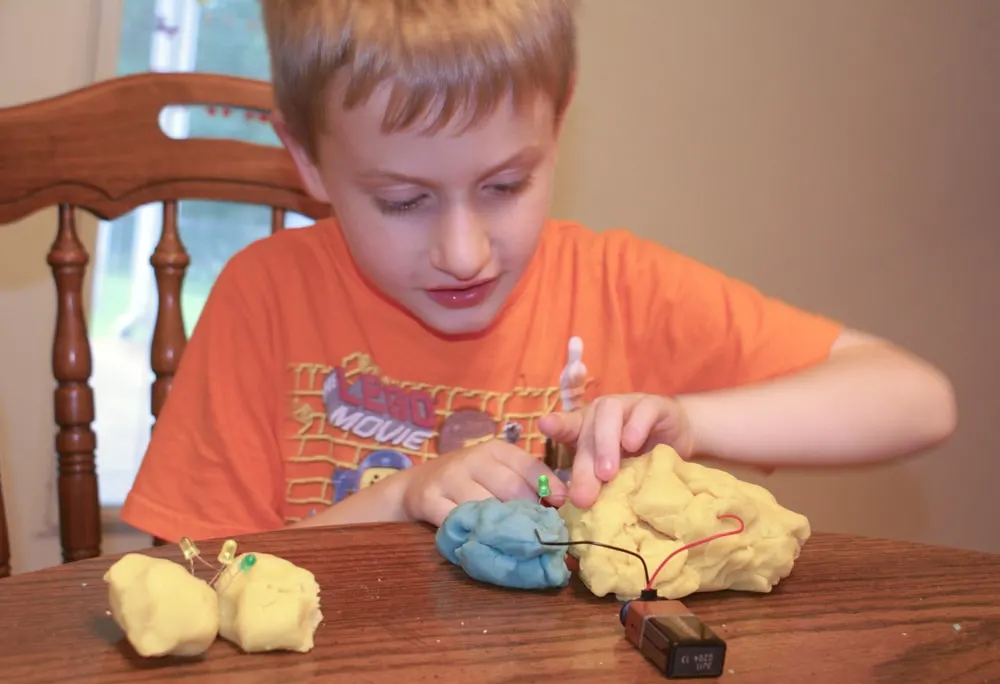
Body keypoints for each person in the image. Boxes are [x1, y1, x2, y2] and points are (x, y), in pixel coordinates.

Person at [119, 0, 956, 544]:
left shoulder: (620, 283)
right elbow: (192, 572)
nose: (462, 252)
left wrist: (693, 422)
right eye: (403, 200)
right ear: (304, 157)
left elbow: (916, 400)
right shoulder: (266, 297)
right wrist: (400, 497)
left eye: (505, 187)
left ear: (559, 120)